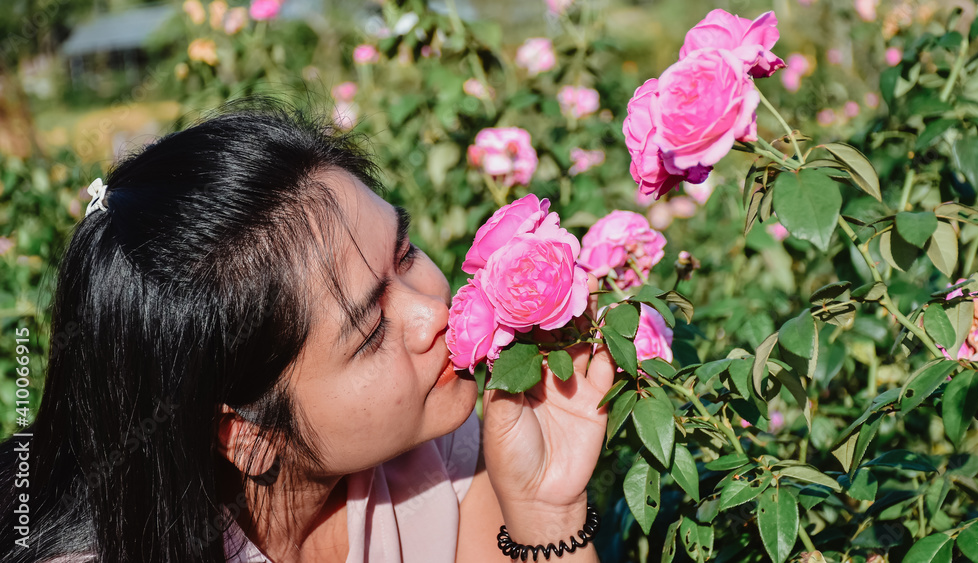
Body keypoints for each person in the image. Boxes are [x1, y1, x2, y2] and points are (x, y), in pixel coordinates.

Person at [0, 101, 614, 563]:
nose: (435, 312)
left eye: (404, 255)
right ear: (241, 433)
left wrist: (546, 509)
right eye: (371, 331)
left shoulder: (440, 456)